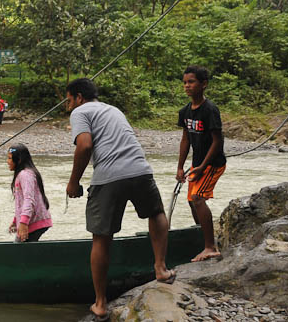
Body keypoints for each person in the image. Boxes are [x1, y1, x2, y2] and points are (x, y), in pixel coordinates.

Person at [65, 78, 174, 322]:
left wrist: (74, 182)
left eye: (69, 100)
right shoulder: (113, 109)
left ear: (79, 97)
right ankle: (161, 269)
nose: (68, 106)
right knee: (156, 213)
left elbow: (84, 146)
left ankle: (101, 304)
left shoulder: (81, 111)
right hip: (140, 168)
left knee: (101, 235)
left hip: (108, 177)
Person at [176, 65, 226, 262]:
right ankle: (203, 238)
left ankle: (210, 247)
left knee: (197, 198)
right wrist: (180, 167)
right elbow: (185, 139)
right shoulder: (185, 111)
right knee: (191, 201)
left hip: (213, 164)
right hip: (197, 164)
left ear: (203, 84)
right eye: (185, 82)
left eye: (191, 82)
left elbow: (217, 141)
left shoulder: (210, 110)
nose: (187, 86)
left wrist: (203, 166)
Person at [7, 145, 52, 242]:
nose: (8, 162)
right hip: (29, 221)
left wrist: (23, 223)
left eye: (10, 158)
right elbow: (21, 203)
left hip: (33, 222)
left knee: (19, 249)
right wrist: (16, 221)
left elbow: (29, 200)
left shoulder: (25, 175)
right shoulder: (24, 174)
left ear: (18, 160)